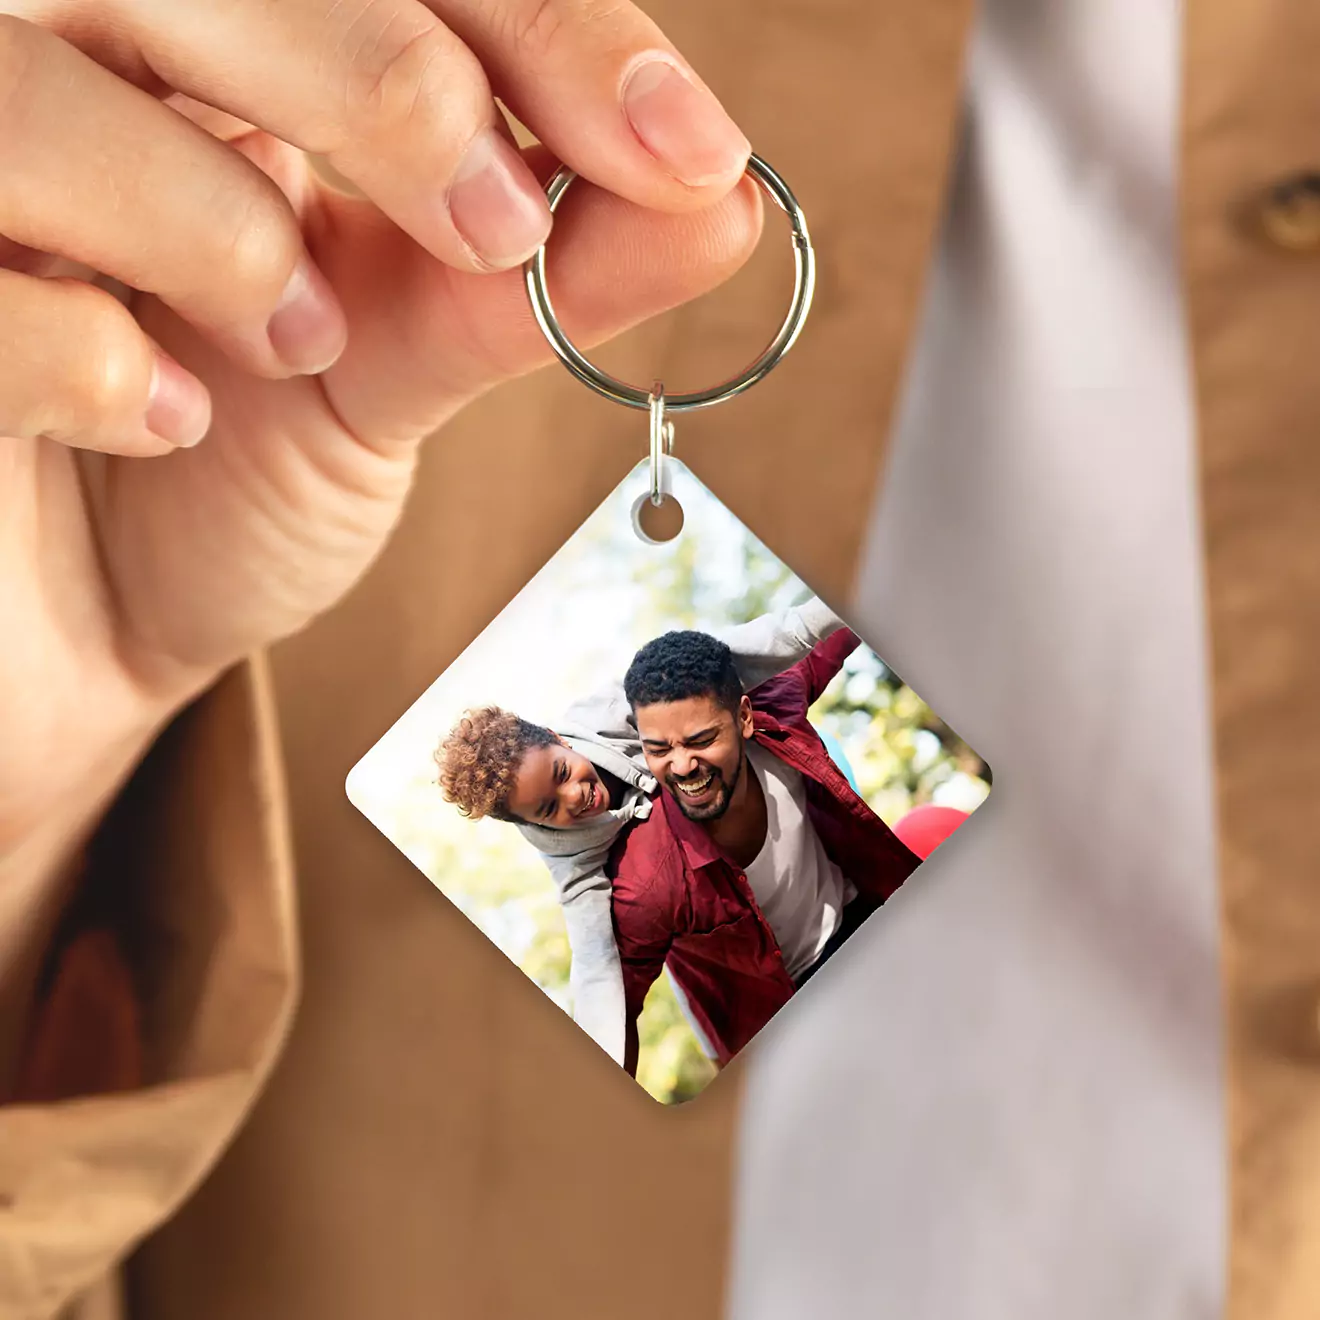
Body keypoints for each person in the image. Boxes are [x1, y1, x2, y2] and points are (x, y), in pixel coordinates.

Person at [0, 1, 1316, 1317]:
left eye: (573, 774)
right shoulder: (612, 885)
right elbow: (598, 963)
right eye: (560, 806)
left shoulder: (733, 717)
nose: (602, 788)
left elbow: (784, 664)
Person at [433, 597, 845, 1064]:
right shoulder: (573, 862)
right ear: (532, 825)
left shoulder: (611, 710)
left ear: (561, 740)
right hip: (724, 958)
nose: (575, 797)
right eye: (549, 808)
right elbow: (595, 966)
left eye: (564, 772)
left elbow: (748, 652)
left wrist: (832, 612)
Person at [607, 627, 919, 1073]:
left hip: (863, 925)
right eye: (658, 749)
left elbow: (835, 624)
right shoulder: (647, 880)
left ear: (745, 718)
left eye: (700, 740)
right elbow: (614, 1014)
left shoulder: (781, 710)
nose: (681, 766)